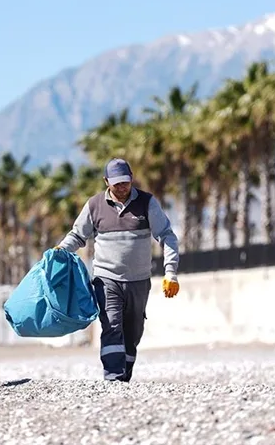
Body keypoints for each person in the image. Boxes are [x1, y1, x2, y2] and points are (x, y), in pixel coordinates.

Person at [55, 158, 181, 382]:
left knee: (133, 332)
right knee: (112, 326)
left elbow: (167, 236)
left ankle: (125, 373)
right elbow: (77, 235)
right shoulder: (94, 205)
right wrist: (61, 250)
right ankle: (113, 377)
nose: (122, 187)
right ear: (106, 181)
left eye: (125, 182)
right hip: (106, 279)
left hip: (139, 281)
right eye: (116, 183)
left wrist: (170, 272)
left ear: (131, 178)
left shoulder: (147, 202)